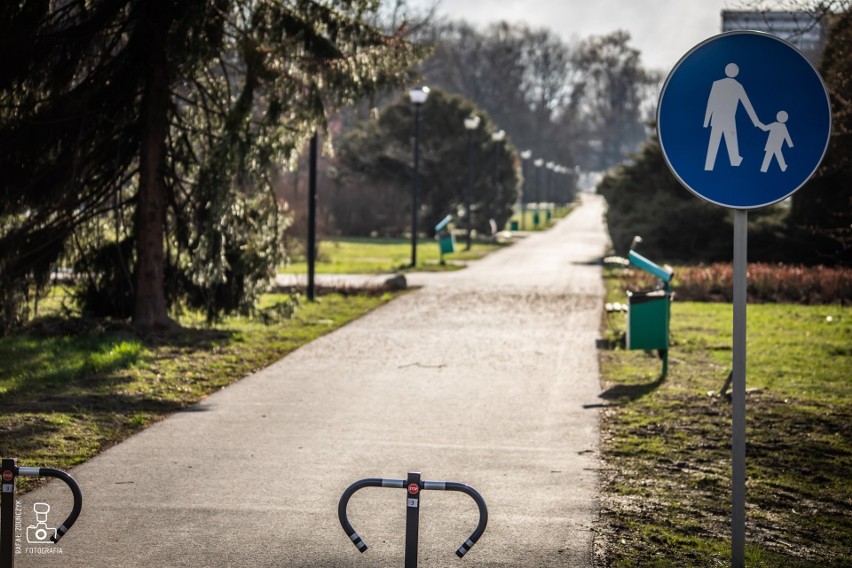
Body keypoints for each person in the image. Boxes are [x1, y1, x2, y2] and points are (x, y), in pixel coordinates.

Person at [703, 63, 764, 171]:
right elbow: (748, 106)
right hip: (729, 120)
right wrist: (756, 122)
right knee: (730, 143)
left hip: (717, 119)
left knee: (714, 143)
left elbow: (710, 103)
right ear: (736, 72)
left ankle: (709, 165)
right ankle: (734, 162)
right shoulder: (737, 86)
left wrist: (706, 121)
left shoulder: (717, 84)